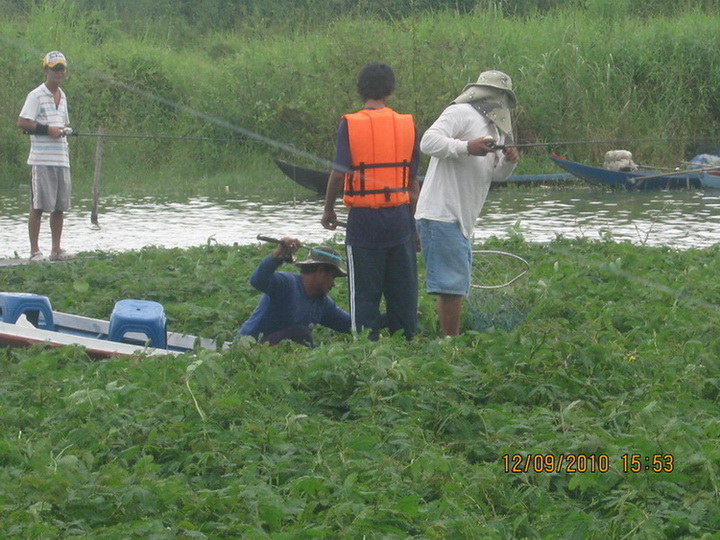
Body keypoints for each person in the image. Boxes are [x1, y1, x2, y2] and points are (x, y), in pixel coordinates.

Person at [415, 70, 520, 336]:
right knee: (450, 286)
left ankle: (448, 337)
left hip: (463, 218)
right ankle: (452, 343)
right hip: (441, 212)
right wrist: (466, 146)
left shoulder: (500, 130)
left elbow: (495, 175)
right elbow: (428, 142)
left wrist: (508, 161)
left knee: (455, 283)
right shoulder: (460, 113)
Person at [321, 62, 420, 340]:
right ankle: (407, 347)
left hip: (364, 221)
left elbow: (339, 175)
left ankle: (366, 352)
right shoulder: (407, 124)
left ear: (360, 91)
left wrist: (328, 209)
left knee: (364, 296)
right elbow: (413, 183)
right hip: (400, 219)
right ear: (391, 89)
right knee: (404, 294)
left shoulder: (350, 124)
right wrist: (413, 226)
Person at [236, 238, 351, 346]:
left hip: (275, 353)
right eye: (332, 277)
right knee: (299, 332)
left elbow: (351, 324)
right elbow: (258, 281)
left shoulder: (323, 303)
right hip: (249, 347)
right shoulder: (286, 284)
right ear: (321, 272)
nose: (333, 284)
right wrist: (277, 256)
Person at [17, 51, 74, 263]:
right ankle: (35, 251)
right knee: (39, 206)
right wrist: (47, 129)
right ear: (45, 71)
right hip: (41, 160)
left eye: (62, 68)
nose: (58, 72)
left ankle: (56, 250)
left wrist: (63, 130)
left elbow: (62, 123)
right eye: (54, 68)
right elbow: (23, 122)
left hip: (61, 159)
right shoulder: (36, 95)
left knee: (60, 207)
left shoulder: (63, 95)